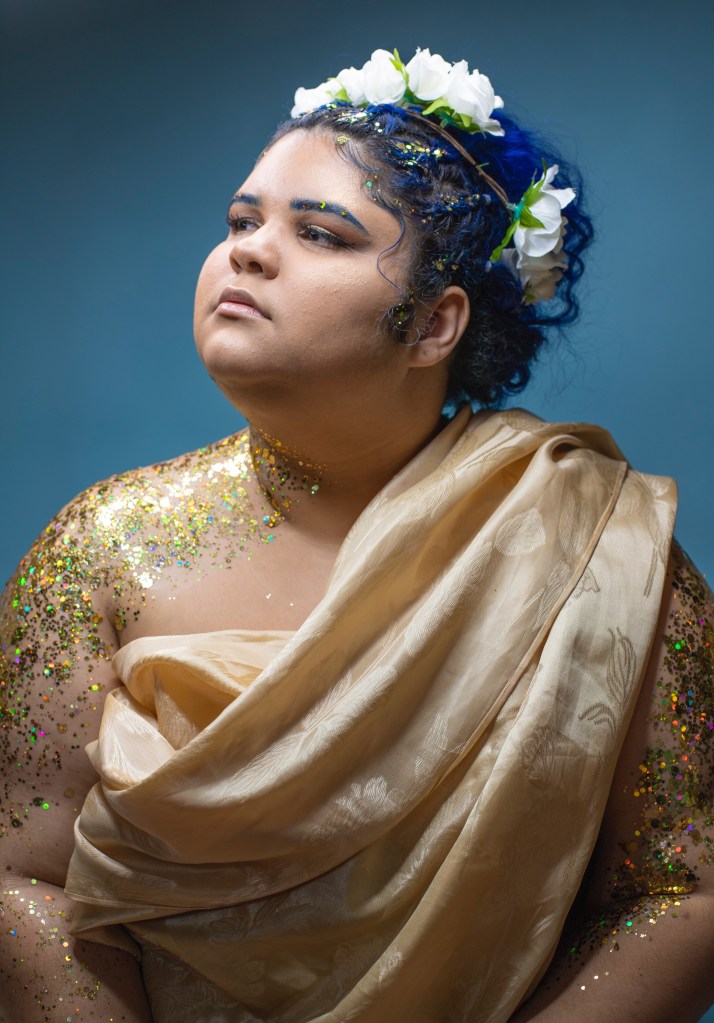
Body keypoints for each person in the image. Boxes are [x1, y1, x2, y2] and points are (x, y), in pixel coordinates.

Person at [1, 46, 712, 1023]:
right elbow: (21, 880)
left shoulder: (601, 553)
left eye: (321, 234)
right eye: (241, 220)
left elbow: (684, 892)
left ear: (432, 324)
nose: (247, 249)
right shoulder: (105, 545)